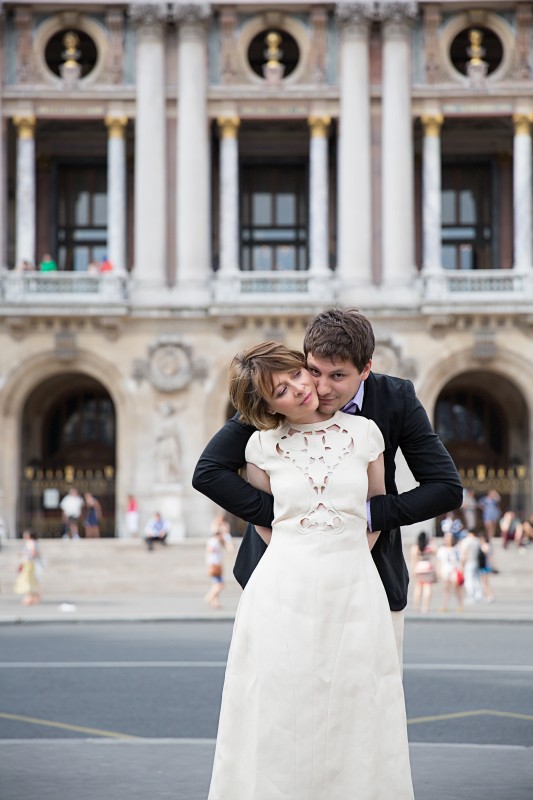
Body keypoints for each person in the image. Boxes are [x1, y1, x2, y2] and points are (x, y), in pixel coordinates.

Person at [193, 307, 463, 665]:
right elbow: (209, 471)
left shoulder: (395, 398)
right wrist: (281, 515)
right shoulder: (281, 397)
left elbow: (446, 487)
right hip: (278, 572)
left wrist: (370, 513)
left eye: (338, 376)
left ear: (366, 369)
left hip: (370, 570)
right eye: (314, 370)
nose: (320, 387)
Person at [206, 341, 414, 798]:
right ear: (265, 405)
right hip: (282, 588)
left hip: (356, 583)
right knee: (280, 708)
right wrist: (302, 546)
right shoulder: (259, 444)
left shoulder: (365, 433)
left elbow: (375, 507)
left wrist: (345, 552)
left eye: (297, 374)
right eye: (281, 390)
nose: (301, 388)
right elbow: (266, 522)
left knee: (358, 704)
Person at [204, 513, 235, 609]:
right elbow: (210, 550)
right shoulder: (213, 540)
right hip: (214, 564)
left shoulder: (217, 540)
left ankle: (215, 602)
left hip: (217, 563)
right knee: (219, 585)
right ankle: (208, 598)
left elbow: (229, 547)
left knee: (215, 584)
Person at [436, 531, 464, 612]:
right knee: (446, 589)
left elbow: (460, 561)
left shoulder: (456, 549)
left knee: (457, 589)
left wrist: (461, 570)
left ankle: (460, 605)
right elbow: (439, 562)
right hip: (445, 570)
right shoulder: (442, 549)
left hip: (454, 570)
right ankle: (444, 605)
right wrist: (438, 571)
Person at [410, 530, 436, 613]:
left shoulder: (416, 547)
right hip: (428, 567)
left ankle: (416, 606)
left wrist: (413, 570)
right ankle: (425, 607)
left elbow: (413, 560)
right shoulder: (429, 547)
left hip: (419, 568)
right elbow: (435, 552)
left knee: (418, 588)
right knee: (427, 588)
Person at [13, 531, 42, 606]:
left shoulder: (31, 542)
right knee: (32, 581)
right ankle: (34, 597)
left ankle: (29, 597)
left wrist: (23, 555)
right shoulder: (35, 543)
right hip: (30, 563)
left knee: (27, 581)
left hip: (29, 563)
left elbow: (33, 553)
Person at [459, 529, 482, 603]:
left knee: (469, 580)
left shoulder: (466, 541)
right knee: (476, 579)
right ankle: (478, 594)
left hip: (468, 562)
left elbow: (464, 553)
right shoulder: (477, 541)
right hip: (476, 562)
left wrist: (462, 564)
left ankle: (471, 596)